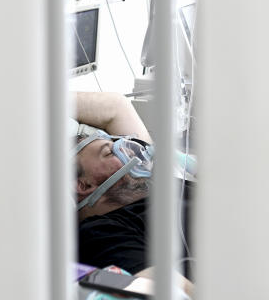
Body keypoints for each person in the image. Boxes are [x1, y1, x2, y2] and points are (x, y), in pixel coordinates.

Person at [72, 91, 195, 297]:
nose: (131, 149)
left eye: (120, 141)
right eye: (110, 151)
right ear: (82, 185)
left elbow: (116, 107)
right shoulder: (103, 233)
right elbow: (178, 290)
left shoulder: (158, 181)